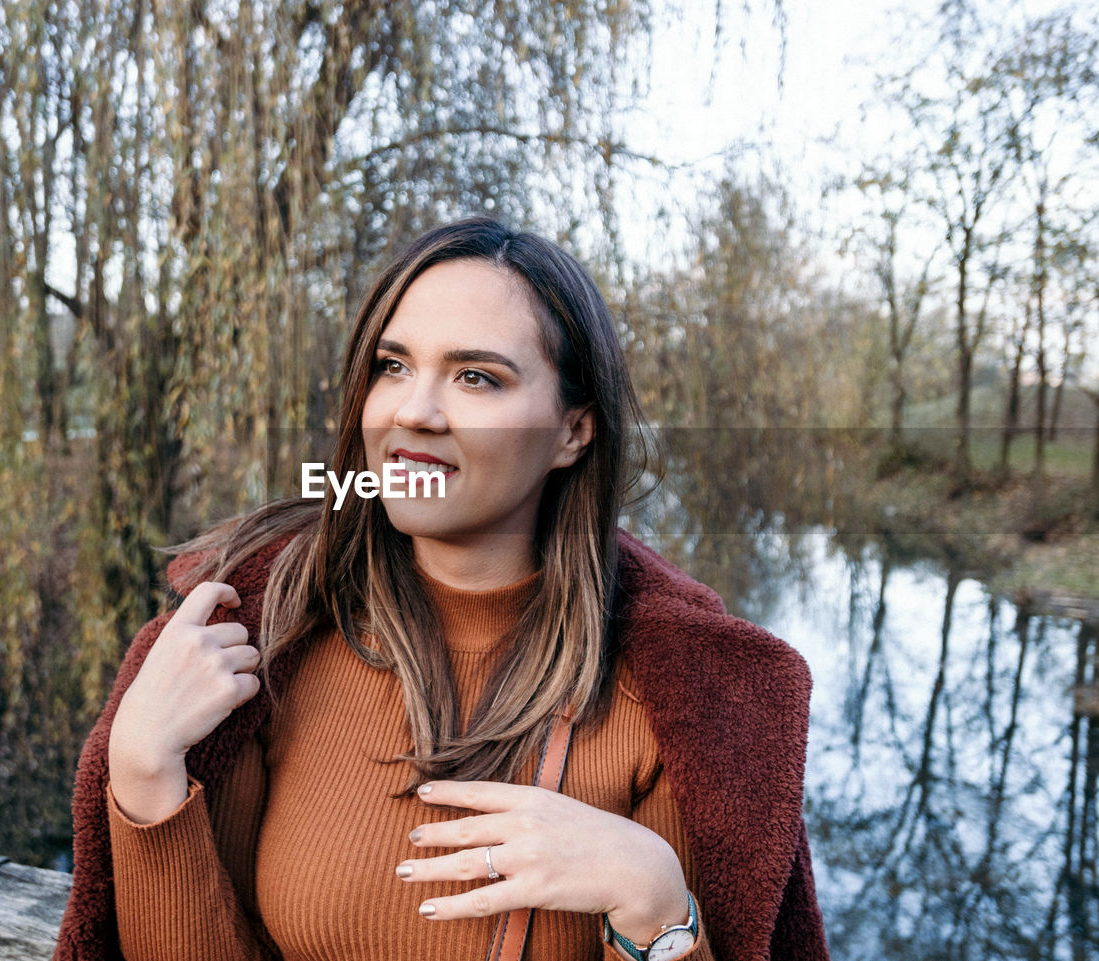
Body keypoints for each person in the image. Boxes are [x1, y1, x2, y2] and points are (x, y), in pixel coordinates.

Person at [53, 219, 829, 961]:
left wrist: (654, 904)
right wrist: (145, 773)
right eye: (393, 366)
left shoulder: (681, 696)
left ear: (573, 431)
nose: (413, 413)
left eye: (476, 377)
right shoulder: (267, 634)